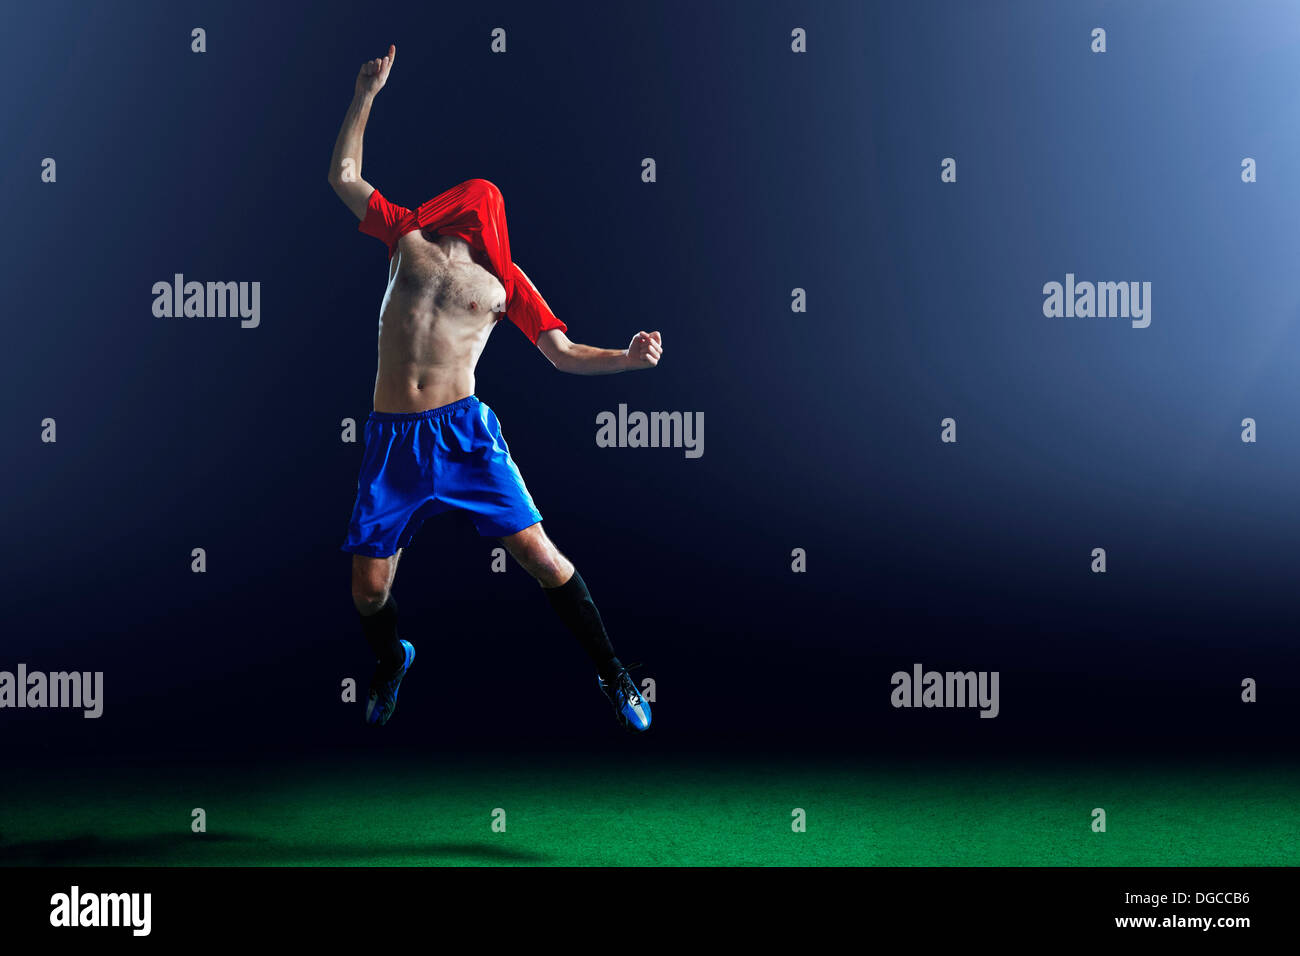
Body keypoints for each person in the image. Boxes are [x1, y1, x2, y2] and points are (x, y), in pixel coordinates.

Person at [328, 45, 660, 732]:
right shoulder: (404, 235)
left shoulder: (507, 285)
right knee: (369, 590)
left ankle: (614, 674)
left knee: (542, 558)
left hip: (463, 434)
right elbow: (343, 174)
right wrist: (366, 93)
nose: (480, 207)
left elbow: (563, 354)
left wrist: (627, 361)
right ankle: (392, 662)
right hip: (393, 437)